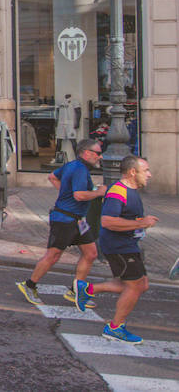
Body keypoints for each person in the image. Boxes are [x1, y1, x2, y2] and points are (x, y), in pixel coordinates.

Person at [74, 155, 155, 344]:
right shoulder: (118, 191)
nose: (150, 175)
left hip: (128, 245)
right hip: (119, 247)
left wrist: (139, 224)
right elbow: (107, 221)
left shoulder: (131, 191)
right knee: (134, 286)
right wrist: (142, 222)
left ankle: (87, 289)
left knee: (141, 284)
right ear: (132, 172)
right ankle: (115, 327)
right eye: (146, 171)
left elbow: (124, 217)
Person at [16, 139, 106, 305]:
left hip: (79, 220)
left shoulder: (72, 165)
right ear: (86, 153)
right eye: (98, 153)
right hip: (65, 219)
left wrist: (65, 192)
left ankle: (75, 291)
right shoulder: (79, 169)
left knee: (91, 253)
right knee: (53, 255)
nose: (100, 157)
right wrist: (99, 192)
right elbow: (79, 195)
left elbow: (52, 177)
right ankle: (29, 285)